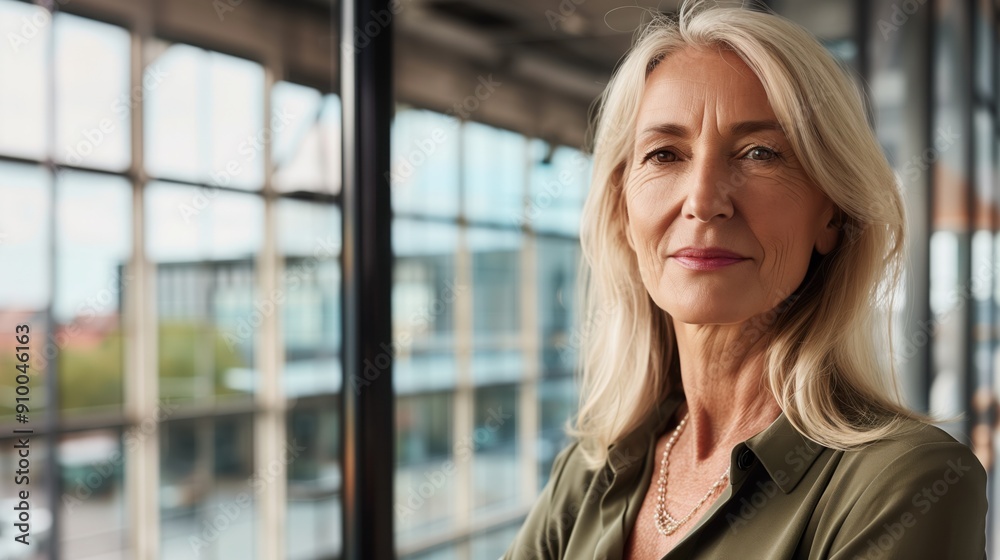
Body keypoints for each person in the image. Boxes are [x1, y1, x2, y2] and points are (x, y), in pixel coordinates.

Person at [502, 2, 989, 559]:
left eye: (760, 153)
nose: (704, 201)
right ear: (622, 213)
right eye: (664, 154)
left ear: (832, 216)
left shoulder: (905, 484)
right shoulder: (590, 472)